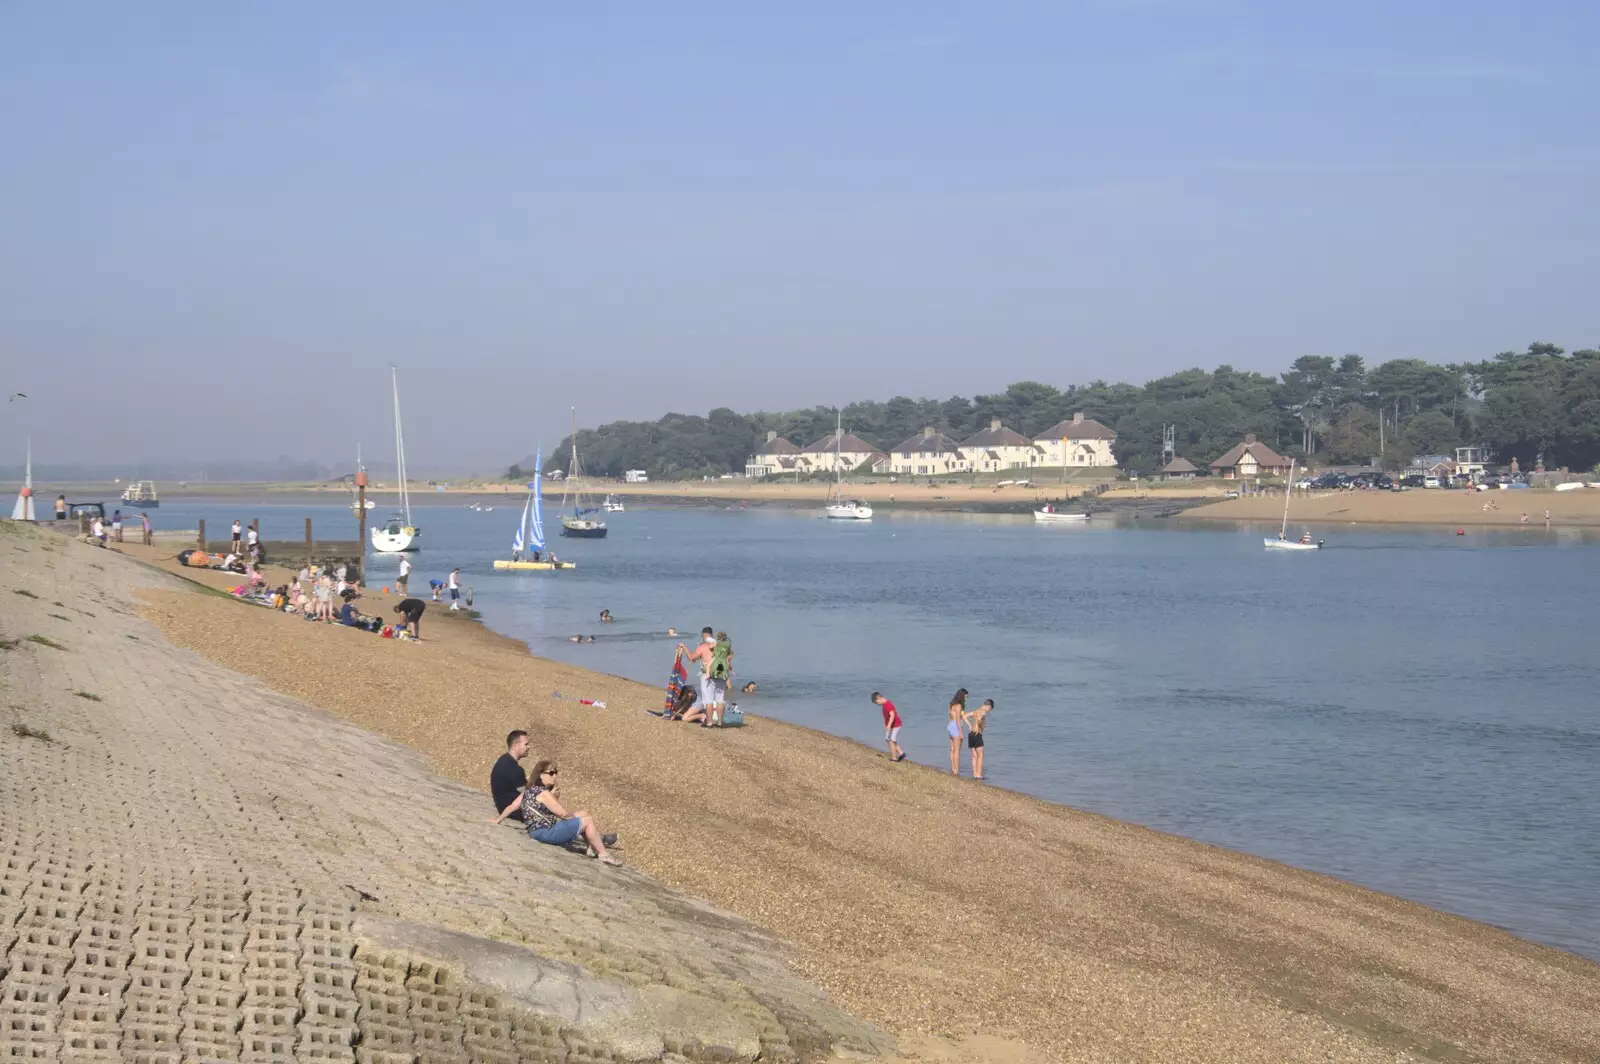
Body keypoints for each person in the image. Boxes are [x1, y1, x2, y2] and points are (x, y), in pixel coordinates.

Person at [492, 760, 620, 866]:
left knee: (583, 813)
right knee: (587, 820)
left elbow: (512, 806)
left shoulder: (529, 790)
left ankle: (590, 848)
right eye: (551, 773)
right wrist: (554, 798)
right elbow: (562, 814)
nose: (555, 776)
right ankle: (604, 854)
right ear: (541, 775)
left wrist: (498, 819)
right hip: (546, 832)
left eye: (556, 773)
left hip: (535, 831)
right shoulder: (544, 793)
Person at [490, 730, 531, 821]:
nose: (529, 747)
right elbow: (528, 795)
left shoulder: (503, 759)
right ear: (515, 746)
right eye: (526, 744)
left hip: (503, 807)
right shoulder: (513, 769)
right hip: (515, 813)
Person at [964, 698, 993, 780]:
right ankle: (979, 775)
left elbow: (964, 716)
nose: (989, 711)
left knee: (974, 756)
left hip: (971, 734)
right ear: (988, 706)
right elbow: (980, 718)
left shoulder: (976, 711)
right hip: (977, 735)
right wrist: (979, 724)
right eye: (990, 709)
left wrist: (969, 725)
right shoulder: (983, 712)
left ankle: (974, 774)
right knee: (980, 756)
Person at [873, 692, 906, 762]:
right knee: (888, 739)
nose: (877, 704)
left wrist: (889, 725)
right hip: (891, 725)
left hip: (896, 725)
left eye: (876, 702)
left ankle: (894, 758)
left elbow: (892, 715)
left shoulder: (888, 704)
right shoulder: (885, 704)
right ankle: (901, 753)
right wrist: (886, 723)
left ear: (879, 698)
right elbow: (887, 716)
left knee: (891, 740)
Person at [947, 689, 968, 775]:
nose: (966, 699)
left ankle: (953, 767)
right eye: (965, 697)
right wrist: (961, 732)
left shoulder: (951, 705)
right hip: (955, 726)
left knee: (952, 749)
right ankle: (956, 770)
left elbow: (950, 717)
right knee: (956, 750)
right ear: (962, 696)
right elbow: (958, 721)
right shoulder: (959, 706)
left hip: (950, 726)